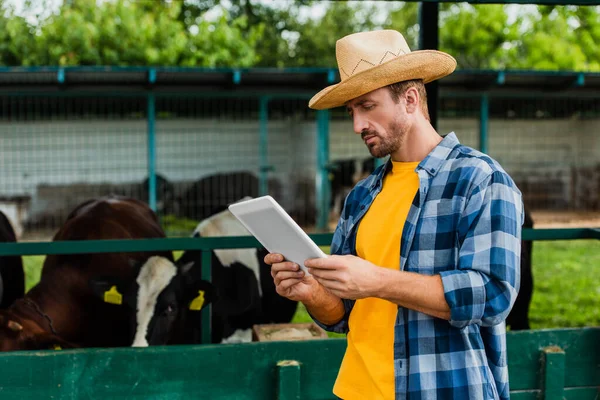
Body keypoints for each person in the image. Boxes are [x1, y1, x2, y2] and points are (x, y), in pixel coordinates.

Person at [265, 29, 524, 400]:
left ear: (410, 100)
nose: (357, 125)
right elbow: (343, 315)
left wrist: (377, 281)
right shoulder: (361, 196)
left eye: (367, 106)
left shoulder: (479, 179)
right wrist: (312, 293)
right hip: (354, 391)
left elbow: (493, 295)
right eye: (352, 111)